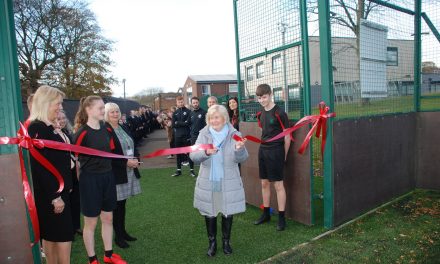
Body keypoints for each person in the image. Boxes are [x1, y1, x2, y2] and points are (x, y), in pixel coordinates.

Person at [73, 96, 127, 264]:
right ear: (88, 110)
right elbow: (74, 160)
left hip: (107, 177)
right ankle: (92, 259)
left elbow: (111, 153)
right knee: (90, 223)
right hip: (90, 180)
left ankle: (108, 255)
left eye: (104, 107)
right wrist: (81, 183)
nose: (103, 111)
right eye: (100, 108)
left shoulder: (107, 129)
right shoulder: (81, 133)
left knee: (108, 219)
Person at [190, 104, 248, 257]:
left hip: (228, 179)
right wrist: (206, 152)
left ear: (224, 118)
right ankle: (212, 243)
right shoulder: (204, 134)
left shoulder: (234, 133)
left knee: (227, 211)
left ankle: (226, 242)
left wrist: (239, 149)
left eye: (216, 117)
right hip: (210, 180)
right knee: (210, 211)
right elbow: (193, 156)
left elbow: (243, 158)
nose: (213, 121)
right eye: (211, 118)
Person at [27, 85, 73, 264]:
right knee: (61, 237)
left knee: (54, 237)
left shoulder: (47, 127)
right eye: (58, 104)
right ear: (46, 103)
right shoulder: (38, 129)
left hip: (57, 194)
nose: (60, 108)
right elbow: (40, 166)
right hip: (52, 195)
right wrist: (55, 197)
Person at [104, 103, 142, 249]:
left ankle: (123, 231)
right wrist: (126, 162)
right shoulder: (105, 131)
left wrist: (136, 158)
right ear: (107, 114)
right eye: (112, 112)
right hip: (117, 172)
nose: (115, 114)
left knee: (123, 204)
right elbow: (108, 154)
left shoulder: (123, 127)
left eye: (117, 111)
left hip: (130, 170)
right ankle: (118, 237)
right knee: (116, 206)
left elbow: (134, 144)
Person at [254, 84, 291, 231]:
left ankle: (282, 218)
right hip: (263, 150)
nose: (262, 100)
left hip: (276, 152)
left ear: (270, 95)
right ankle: (266, 214)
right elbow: (263, 132)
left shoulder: (279, 113)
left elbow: (287, 136)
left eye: (264, 97)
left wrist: (284, 155)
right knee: (264, 183)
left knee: (278, 185)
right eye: (259, 98)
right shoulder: (260, 113)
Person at [56, 110, 82, 239]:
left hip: (73, 171)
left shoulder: (68, 133)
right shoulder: (53, 135)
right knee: (67, 200)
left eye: (63, 118)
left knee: (76, 200)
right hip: (62, 173)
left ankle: (76, 226)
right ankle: (69, 228)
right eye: (58, 119)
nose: (62, 121)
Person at [171, 96, 194, 177]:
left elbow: (188, 123)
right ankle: (178, 170)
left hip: (186, 135)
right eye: (179, 102)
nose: (180, 103)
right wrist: (182, 123)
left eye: (181, 102)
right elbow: (173, 125)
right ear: (176, 103)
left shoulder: (188, 111)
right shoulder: (175, 113)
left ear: (183, 102)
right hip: (177, 136)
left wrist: (178, 123)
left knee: (189, 153)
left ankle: (192, 170)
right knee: (178, 153)